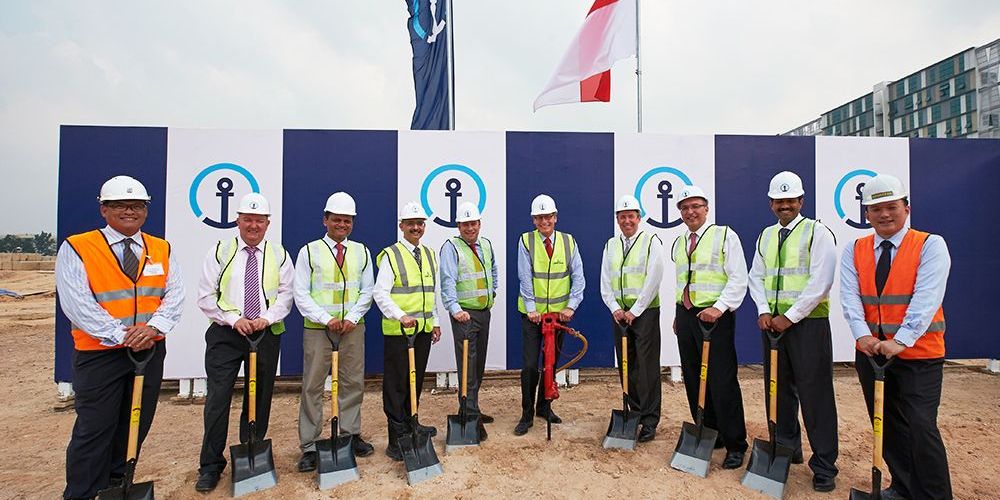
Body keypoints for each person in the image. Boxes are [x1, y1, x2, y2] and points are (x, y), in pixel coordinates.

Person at [57, 175, 185, 500]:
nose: (130, 211)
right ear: (104, 209)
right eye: (120, 205)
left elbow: (174, 294)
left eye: (137, 205)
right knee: (94, 428)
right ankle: (82, 493)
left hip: (148, 353)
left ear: (146, 210)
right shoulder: (79, 247)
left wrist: (154, 328)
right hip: (99, 354)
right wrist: (121, 335)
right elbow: (77, 303)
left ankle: (116, 485)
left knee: (134, 425)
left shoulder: (161, 248)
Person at [840, 174, 952, 500]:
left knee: (921, 426)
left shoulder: (930, 245)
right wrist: (862, 336)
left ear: (907, 208)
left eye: (891, 207)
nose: (884, 214)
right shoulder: (855, 249)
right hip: (873, 354)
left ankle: (934, 496)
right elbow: (850, 297)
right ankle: (903, 488)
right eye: (876, 209)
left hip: (919, 355)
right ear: (866, 214)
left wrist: (901, 340)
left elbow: (926, 298)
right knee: (886, 424)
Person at [194, 193, 294, 492]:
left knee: (259, 398)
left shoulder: (279, 254)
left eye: (259, 221)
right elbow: (206, 295)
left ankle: (251, 454)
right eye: (247, 220)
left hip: (265, 334)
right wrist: (233, 319)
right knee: (218, 399)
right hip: (226, 334)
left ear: (267, 224)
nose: (253, 226)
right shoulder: (220, 251)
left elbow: (286, 295)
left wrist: (266, 318)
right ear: (237, 221)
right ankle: (210, 465)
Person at [748, 171, 840, 492]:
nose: (784, 205)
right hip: (773, 326)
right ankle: (787, 450)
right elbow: (756, 276)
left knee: (816, 396)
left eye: (790, 200)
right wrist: (763, 310)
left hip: (808, 325)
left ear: (801, 201)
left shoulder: (817, 233)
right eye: (779, 201)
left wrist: (790, 316)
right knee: (778, 392)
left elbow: (821, 280)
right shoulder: (766, 236)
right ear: (771, 204)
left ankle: (825, 465)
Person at [293, 192, 375, 473]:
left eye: (347, 220)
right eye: (337, 219)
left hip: (352, 328)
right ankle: (310, 445)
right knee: (313, 386)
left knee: (353, 383)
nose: (342, 225)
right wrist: (326, 318)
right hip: (318, 329)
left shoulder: (362, 251)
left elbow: (367, 290)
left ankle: (350, 434)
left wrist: (352, 317)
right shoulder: (309, 251)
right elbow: (301, 293)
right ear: (325, 220)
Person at [670, 185, 749, 469]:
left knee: (721, 380)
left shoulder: (725, 236)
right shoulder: (679, 242)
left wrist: (720, 307)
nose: (690, 212)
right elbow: (683, 280)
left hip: (715, 317)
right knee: (693, 377)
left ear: (706, 208)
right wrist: (680, 312)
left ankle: (736, 443)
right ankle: (710, 431)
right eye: (685, 208)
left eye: (695, 206)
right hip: (687, 316)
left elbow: (738, 277)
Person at [374, 201, 442, 460]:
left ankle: (413, 422)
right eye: (411, 223)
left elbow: (430, 293)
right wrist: (400, 316)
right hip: (399, 332)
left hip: (422, 331)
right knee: (396, 384)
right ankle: (396, 437)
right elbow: (380, 293)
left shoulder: (430, 254)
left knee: (416, 379)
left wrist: (435, 321)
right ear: (401, 226)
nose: (416, 228)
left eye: (419, 223)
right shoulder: (391, 255)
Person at [514, 194, 585, 436]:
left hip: (558, 317)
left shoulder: (568, 241)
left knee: (551, 363)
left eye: (548, 217)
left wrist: (571, 306)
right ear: (534, 220)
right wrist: (531, 308)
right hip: (533, 317)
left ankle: (544, 407)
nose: (544, 221)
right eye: (539, 217)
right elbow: (525, 277)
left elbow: (578, 277)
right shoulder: (526, 241)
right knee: (530, 366)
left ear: (555, 217)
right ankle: (526, 414)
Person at [599, 194, 664, 443]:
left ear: (639, 218)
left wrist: (635, 310)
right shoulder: (611, 245)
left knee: (647, 368)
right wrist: (615, 308)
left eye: (631, 216)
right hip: (620, 315)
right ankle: (633, 412)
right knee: (628, 366)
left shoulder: (651, 242)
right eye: (622, 216)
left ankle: (649, 419)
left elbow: (654, 278)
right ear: (617, 219)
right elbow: (605, 280)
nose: (627, 221)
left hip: (644, 313)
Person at [439, 201, 499, 440]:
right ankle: (469, 414)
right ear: (458, 226)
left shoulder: (486, 245)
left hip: (483, 313)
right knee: (468, 366)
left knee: (478, 364)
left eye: (473, 223)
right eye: (465, 224)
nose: (470, 228)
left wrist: (492, 293)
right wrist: (455, 309)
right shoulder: (451, 248)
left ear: (479, 224)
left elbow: (493, 271)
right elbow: (447, 280)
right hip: (464, 315)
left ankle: (472, 407)